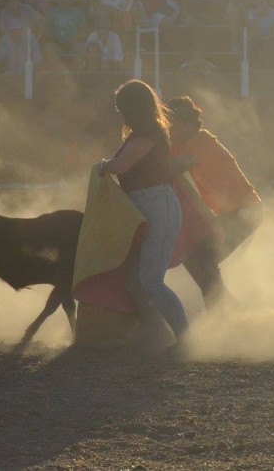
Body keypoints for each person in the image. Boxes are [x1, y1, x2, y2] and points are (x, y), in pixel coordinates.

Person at [97, 79, 188, 350]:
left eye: (122, 109)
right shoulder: (146, 133)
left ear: (132, 108)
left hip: (156, 208)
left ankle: (186, 340)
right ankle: (155, 333)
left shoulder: (148, 134)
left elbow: (121, 166)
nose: (121, 115)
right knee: (138, 278)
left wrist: (102, 166)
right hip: (151, 208)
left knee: (150, 282)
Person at [167, 96, 263, 310]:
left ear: (188, 125)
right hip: (233, 212)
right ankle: (228, 310)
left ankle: (223, 312)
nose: (168, 129)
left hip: (245, 211)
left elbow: (173, 167)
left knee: (201, 261)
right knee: (199, 261)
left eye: (172, 124)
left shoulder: (201, 142)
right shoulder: (182, 144)